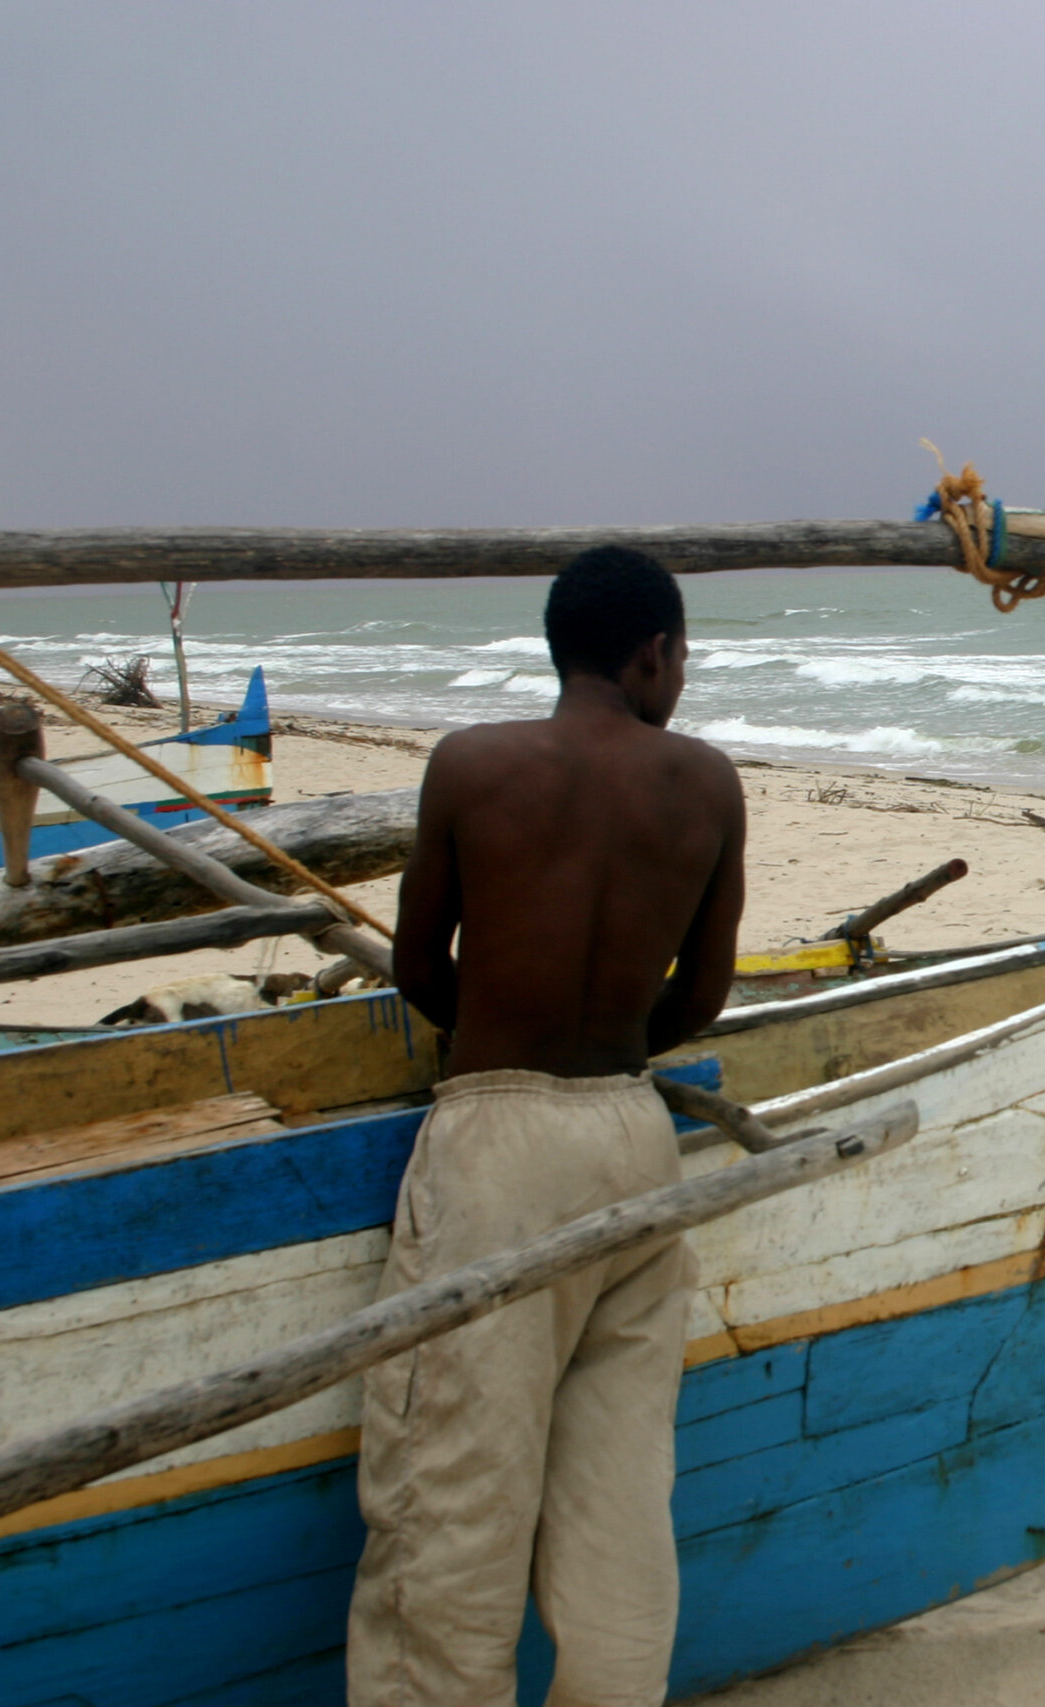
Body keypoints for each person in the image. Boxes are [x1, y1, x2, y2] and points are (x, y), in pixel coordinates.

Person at [347, 546, 746, 1707]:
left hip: (496, 1143)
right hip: (633, 1135)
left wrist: (506, 1033)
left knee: (452, 1499)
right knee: (619, 1497)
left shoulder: (470, 766)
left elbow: (419, 965)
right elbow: (702, 1000)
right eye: (682, 657)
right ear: (654, 652)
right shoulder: (706, 783)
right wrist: (609, 1035)